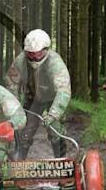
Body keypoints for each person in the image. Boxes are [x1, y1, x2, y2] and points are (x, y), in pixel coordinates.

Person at [5, 29, 71, 159]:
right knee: (24, 130)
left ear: (46, 50)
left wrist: (54, 113)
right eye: (31, 54)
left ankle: (61, 161)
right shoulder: (20, 61)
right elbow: (11, 83)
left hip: (52, 99)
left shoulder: (55, 63)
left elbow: (63, 90)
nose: (34, 58)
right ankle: (19, 163)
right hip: (32, 99)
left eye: (38, 54)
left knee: (55, 129)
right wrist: (15, 107)